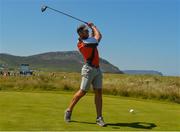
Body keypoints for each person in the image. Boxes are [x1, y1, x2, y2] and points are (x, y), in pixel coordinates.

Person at [64, 22, 105, 127]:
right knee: (82, 92)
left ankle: (99, 118)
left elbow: (94, 37)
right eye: (85, 30)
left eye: (87, 30)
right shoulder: (82, 43)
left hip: (97, 69)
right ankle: (68, 110)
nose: (87, 31)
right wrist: (93, 26)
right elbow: (99, 36)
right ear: (80, 33)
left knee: (99, 92)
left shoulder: (88, 40)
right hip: (88, 70)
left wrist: (91, 29)